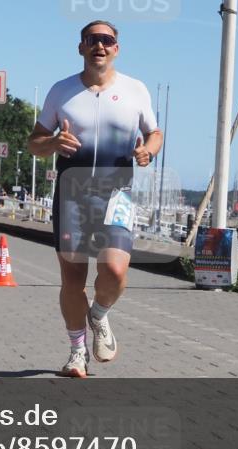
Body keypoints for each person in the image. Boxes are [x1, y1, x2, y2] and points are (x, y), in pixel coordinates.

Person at [27, 20, 162, 377]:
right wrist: (52, 142)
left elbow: (155, 133)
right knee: (73, 279)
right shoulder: (62, 91)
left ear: (116, 48)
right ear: (81, 47)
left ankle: (99, 315)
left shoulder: (135, 90)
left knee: (114, 272)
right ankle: (77, 352)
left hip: (117, 193)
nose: (99, 45)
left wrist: (148, 151)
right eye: (92, 40)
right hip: (72, 194)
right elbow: (34, 142)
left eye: (107, 40)